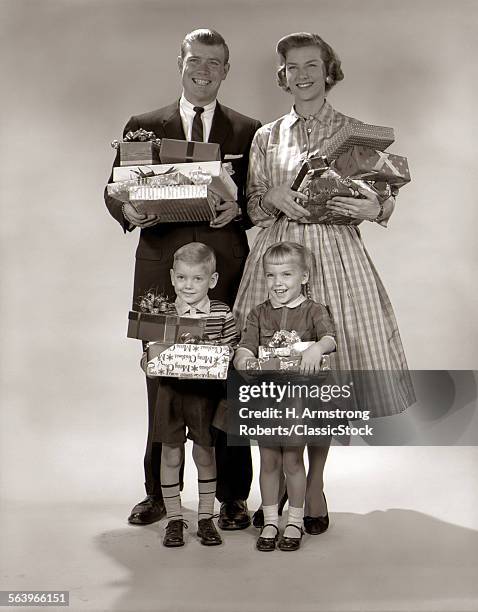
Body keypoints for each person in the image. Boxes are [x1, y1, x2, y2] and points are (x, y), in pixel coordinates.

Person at [233, 32, 415, 535]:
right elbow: (250, 207)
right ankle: (279, 487)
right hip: (279, 259)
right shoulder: (267, 136)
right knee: (275, 368)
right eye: (292, 67)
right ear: (283, 75)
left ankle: (312, 485)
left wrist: (376, 207)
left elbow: (384, 197)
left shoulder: (355, 131)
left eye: (311, 65)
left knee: (322, 377)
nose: (302, 74)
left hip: (336, 257)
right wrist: (271, 196)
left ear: (328, 70)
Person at [104, 29, 260, 530]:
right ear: (180, 62)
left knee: (230, 376)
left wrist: (240, 208)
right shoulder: (143, 125)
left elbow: (257, 199)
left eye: (215, 62)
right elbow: (113, 189)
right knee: (161, 375)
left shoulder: (249, 130)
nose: (205, 69)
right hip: (160, 269)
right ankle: (157, 494)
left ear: (226, 70)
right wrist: (128, 206)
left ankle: (235, 497)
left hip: (227, 267)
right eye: (197, 59)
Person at [234, 242, 336, 551]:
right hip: (267, 396)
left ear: (304, 276)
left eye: (286, 275)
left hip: (298, 398)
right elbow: (246, 346)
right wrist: (242, 358)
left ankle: (294, 520)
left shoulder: (314, 310)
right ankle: (269, 521)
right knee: (267, 460)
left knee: (292, 459)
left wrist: (316, 348)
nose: (278, 283)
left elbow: (329, 339)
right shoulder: (258, 313)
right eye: (271, 275)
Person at [141, 243, 239, 547]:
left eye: (197, 279)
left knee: (204, 452)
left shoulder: (222, 313)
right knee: (170, 452)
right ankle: (174, 519)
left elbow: (234, 350)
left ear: (211, 280)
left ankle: (206, 517)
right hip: (170, 393)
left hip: (205, 394)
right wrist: (148, 363)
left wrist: (220, 355)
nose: (188, 285)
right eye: (182, 278)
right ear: (172, 277)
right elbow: (148, 353)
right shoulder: (163, 312)